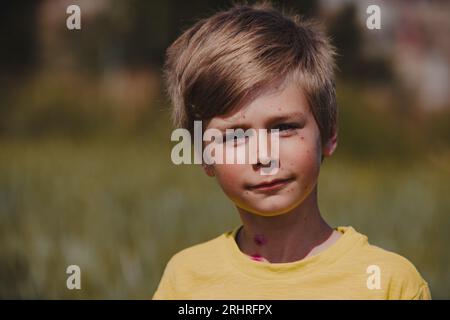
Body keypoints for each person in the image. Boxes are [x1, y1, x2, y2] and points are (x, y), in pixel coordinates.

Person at [153, 1, 431, 299]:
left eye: (283, 127)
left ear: (329, 132)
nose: (263, 157)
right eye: (234, 136)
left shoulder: (390, 283)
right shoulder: (185, 280)